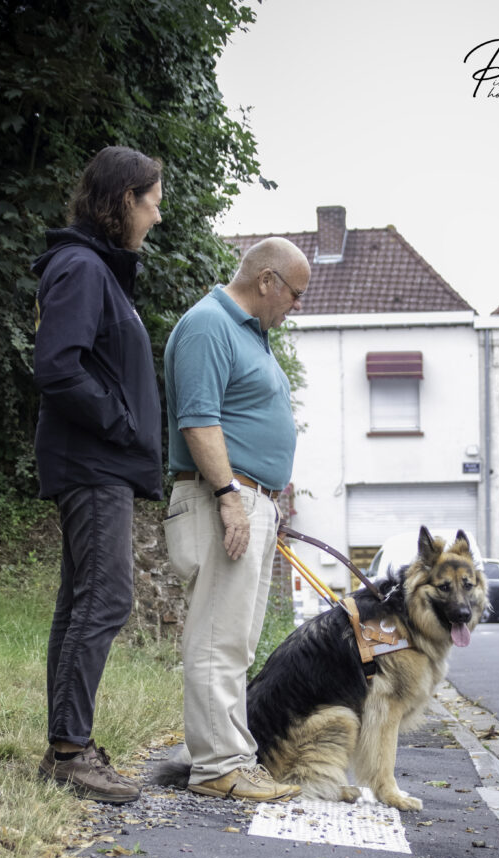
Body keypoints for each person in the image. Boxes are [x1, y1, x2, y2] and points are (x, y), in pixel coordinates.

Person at [32, 145, 164, 803]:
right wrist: (118, 421)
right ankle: (70, 751)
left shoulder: (95, 270)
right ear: (123, 201)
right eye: (153, 200)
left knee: (82, 599)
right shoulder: (82, 268)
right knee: (106, 597)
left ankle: (66, 745)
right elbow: (57, 366)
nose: (157, 215)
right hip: (92, 461)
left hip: (96, 458)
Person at [163, 237, 311, 801]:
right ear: (267, 280)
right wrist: (230, 496)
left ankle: (232, 758)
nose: (295, 305)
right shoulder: (209, 325)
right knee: (216, 640)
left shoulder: (252, 335)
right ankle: (217, 768)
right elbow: (198, 422)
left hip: (252, 498)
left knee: (237, 642)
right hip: (223, 498)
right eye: (294, 293)